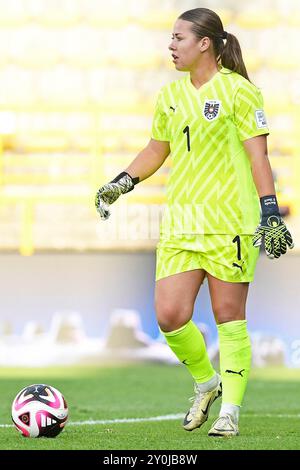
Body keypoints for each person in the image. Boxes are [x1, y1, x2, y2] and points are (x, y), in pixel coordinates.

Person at [95, 8, 294, 437]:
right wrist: (121, 182)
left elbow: (259, 155)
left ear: (205, 43)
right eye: (170, 38)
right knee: (169, 314)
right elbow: (156, 149)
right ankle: (207, 383)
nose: (170, 45)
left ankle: (231, 413)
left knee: (228, 317)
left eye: (178, 38)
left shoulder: (240, 92)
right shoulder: (169, 95)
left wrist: (268, 210)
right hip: (182, 220)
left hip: (230, 220)